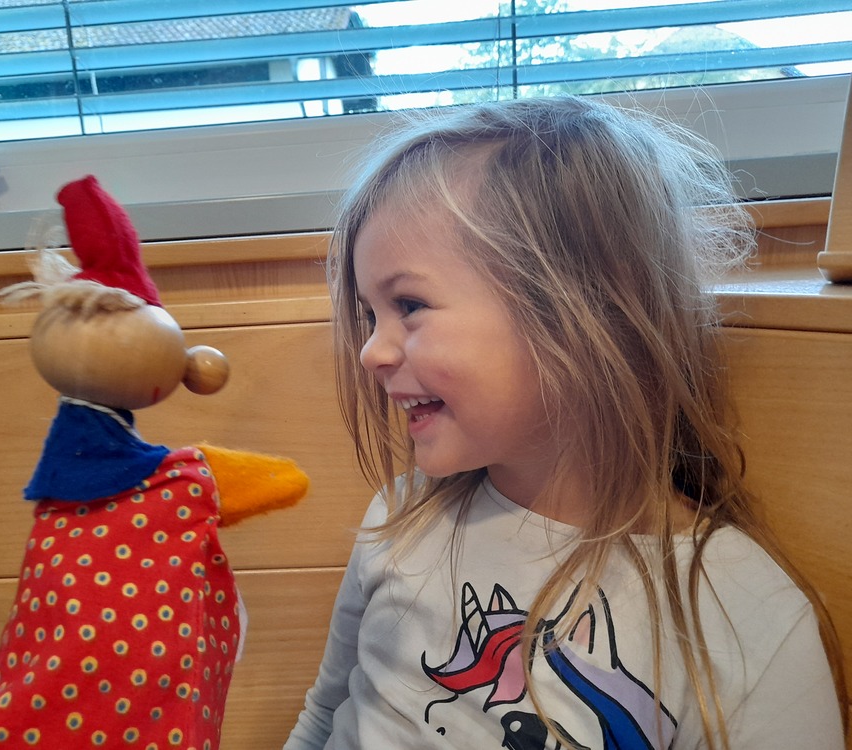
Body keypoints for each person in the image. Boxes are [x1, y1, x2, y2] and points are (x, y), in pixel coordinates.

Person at [283, 96, 847, 749]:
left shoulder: (746, 614)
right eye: (369, 314)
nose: (370, 352)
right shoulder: (399, 519)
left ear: (587, 306)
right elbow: (323, 718)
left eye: (409, 304)